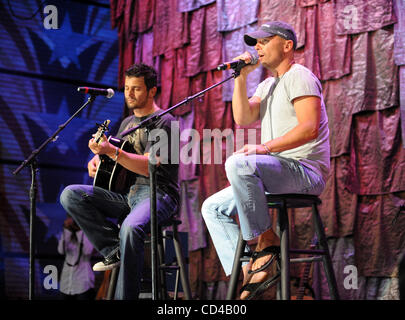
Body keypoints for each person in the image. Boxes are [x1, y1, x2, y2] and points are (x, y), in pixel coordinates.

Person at [201, 21, 330, 300]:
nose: (256, 47)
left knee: (239, 162)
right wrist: (240, 77)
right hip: (277, 171)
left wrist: (264, 148)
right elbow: (243, 118)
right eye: (254, 43)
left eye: (264, 41)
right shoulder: (268, 84)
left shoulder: (300, 76)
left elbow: (308, 128)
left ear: (287, 46)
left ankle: (267, 242)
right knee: (211, 207)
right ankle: (254, 271)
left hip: (304, 172)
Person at [60, 63, 179, 300]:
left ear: (152, 91)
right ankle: (114, 248)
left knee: (131, 227)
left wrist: (112, 152)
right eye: (126, 88)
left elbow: (149, 166)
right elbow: (117, 160)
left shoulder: (166, 122)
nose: (129, 94)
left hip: (158, 193)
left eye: (136, 89)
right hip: (127, 195)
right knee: (70, 194)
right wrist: (98, 158)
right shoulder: (126, 123)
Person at [57, 216, 95, 300]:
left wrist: (80, 230)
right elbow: (61, 251)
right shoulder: (66, 233)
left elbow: (87, 251)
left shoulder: (87, 233)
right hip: (66, 283)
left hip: (83, 283)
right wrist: (67, 229)